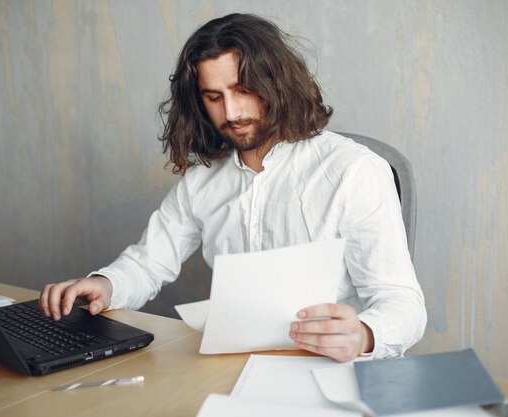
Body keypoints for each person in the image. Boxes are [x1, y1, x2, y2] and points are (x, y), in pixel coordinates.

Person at [39, 13, 426, 362]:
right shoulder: (203, 181)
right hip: (237, 367)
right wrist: (105, 284)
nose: (232, 113)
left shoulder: (354, 171)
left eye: (243, 90)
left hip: (331, 371)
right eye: (214, 97)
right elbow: (148, 262)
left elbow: (402, 304)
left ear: (276, 83)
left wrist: (364, 334)